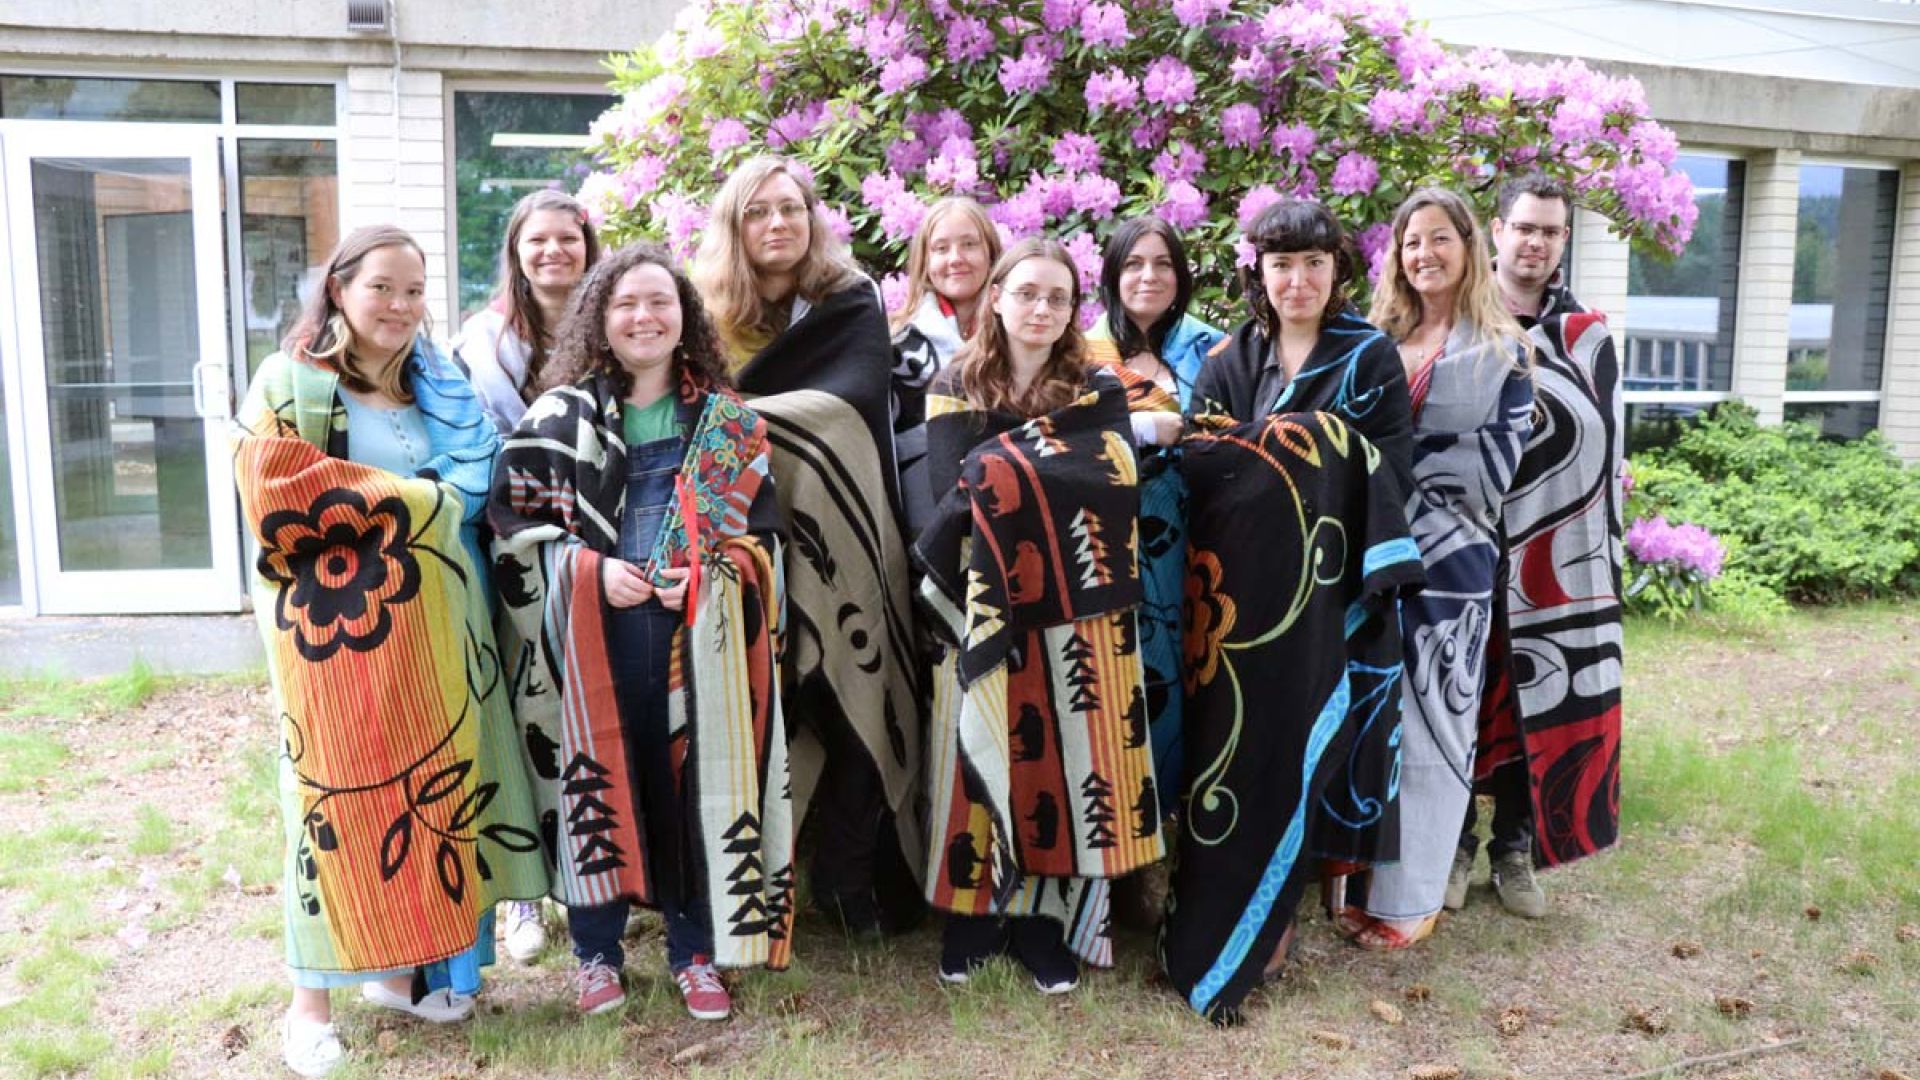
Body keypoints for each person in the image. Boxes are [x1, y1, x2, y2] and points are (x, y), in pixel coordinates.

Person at [233, 225, 548, 1077]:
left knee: (432, 803)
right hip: (339, 639)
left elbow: (479, 481)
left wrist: (426, 505)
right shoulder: (290, 384)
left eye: (414, 291)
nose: (401, 307)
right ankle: (308, 1005)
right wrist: (423, 502)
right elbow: (279, 490)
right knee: (335, 811)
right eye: (382, 288)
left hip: (442, 633)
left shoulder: (438, 382)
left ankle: (406, 973)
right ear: (338, 289)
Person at [490, 244, 791, 1021]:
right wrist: (586, 568)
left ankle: (694, 953)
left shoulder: (728, 426)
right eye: (626, 304)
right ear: (601, 318)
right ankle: (596, 952)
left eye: (660, 302)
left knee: (691, 786)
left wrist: (710, 578)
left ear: (686, 317)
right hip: (596, 639)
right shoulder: (556, 419)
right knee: (598, 782)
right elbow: (510, 528)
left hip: (698, 639)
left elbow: (765, 540)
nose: (643, 317)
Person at [914, 238, 1165, 993]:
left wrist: (1011, 469)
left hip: (1075, 606)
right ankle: (970, 913)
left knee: (1058, 761)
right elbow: (956, 492)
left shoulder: (1095, 384)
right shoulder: (955, 379)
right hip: (980, 599)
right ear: (996, 296)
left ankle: (1039, 921)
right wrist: (1046, 470)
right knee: (972, 750)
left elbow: (1116, 477)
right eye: (1026, 293)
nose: (1041, 309)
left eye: (1057, 298)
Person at [692, 156, 925, 938]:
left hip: (847, 524)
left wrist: (740, 416)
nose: (778, 225)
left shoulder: (848, 298)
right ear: (734, 225)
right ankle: (757, 879)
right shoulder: (702, 312)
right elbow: (688, 412)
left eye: (791, 209)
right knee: (760, 699)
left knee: (859, 682)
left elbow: (849, 405)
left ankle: (848, 873)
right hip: (739, 533)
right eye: (758, 213)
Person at [1350, 188, 1536, 950]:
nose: (1423, 254)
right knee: (1369, 721)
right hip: (1367, 561)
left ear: (1470, 248)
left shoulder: (1506, 351)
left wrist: (1395, 465)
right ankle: (1353, 885)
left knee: (1432, 728)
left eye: (1439, 240)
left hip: (1451, 564)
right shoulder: (1371, 340)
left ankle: (1408, 902)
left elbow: (1497, 468)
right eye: (1410, 242)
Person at [1451, 172, 1625, 917]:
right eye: (1525, 227)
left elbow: (1606, 452)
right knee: (1455, 696)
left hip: (1552, 556)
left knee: (1537, 698)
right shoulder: (1456, 320)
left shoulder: (1588, 335)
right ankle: (1453, 843)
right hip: (1464, 545)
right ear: (1496, 231)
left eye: (1552, 232)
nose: (1537, 242)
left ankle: (1515, 849)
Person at [1081, 216, 1223, 929]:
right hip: (1105, 548)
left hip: (1193, 549)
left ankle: (1172, 861)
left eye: (1163, 264)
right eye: (1133, 264)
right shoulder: (1081, 351)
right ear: (1111, 273)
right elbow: (1066, 436)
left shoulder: (1213, 348)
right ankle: (1115, 867)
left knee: (1183, 700)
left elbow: (1230, 435)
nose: (1148, 277)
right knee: (1114, 695)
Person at [1192, 199, 1414, 499]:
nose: (1299, 282)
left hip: (1339, 539)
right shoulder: (1225, 362)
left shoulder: (1372, 358)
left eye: (1314, 262)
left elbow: (1390, 471)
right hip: (1237, 538)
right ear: (1260, 272)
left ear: (1335, 267)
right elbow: (1199, 458)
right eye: (1282, 265)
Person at [891, 196, 1002, 539]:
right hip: (923, 518)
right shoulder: (895, 346)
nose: (955, 259)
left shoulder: (1020, 334)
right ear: (925, 261)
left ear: (991, 254)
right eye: (941, 248)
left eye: (969, 244)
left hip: (1007, 507)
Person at [453, 189, 601, 435]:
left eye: (568, 239)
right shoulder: (483, 340)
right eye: (537, 240)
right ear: (516, 251)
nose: (553, 249)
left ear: (587, 248)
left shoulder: (616, 331)